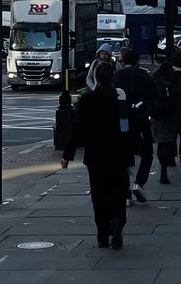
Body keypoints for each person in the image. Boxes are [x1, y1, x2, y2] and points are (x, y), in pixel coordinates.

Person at [62, 62, 133, 250]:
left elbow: (78, 130)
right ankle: (118, 220)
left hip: (96, 155)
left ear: (96, 78)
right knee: (119, 191)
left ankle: (102, 233)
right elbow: (128, 127)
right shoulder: (120, 99)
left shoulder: (87, 100)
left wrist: (67, 155)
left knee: (99, 195)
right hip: (118, 154)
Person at [114, 48, 157, 203]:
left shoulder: (117, 76)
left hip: (122, 122)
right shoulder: (144, 76)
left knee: (124, 157)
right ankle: (139, 183)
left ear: (123, 61)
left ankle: (126, 195)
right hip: (141, 120)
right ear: (138, 61)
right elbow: (153, 96)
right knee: (147, 154)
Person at [150, 61, 181, 183]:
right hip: (171, 116)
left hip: (157, 116)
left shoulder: (154, 80)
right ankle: (165, 167)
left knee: (160, 142)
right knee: (169, 141)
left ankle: (163, 166)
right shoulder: (175, 80)